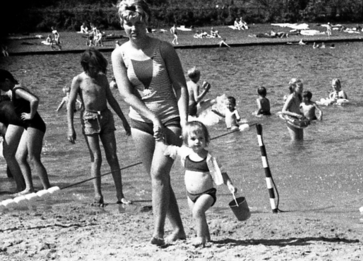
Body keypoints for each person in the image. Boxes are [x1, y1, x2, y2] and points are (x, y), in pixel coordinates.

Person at [111, 0, 189, 246]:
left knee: (158, 173)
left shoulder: (164, 49)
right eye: (128, 24)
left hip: (170, 120)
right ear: (122, 24)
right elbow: (126, 94)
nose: (133, 29)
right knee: (158, 177)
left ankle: (158, 233)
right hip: (141, 123)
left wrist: (184, 122)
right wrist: (151, 118)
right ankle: (179, 230)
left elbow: (180, 87)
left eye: (137, 23)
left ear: (146, 21)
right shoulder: (119, 54)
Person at [66, 49, 132, 205]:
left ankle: (120, 195)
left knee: (113, 156)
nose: (95, 70)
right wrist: (70, 127)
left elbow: (111, 99)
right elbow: (70, 104)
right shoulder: (78, 80)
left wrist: (124, 120)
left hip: (106, 117)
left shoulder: (102, 78)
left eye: (97, 67)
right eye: (92, 67)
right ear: (85, 65)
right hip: (89, 119)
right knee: (96, 158)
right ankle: (98, 195)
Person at [163, 120, 238, 247]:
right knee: (197, 214)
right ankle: (207, 238)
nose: (197, 141)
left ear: (206, 140)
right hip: (190, 194)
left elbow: (221, 172)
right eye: (193, 139)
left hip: (207, 193)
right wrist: (162, 144)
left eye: (201, 138)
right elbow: (173, 150)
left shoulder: (209, 158)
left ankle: (200, 238)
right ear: (186, 140)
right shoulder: (185, 153)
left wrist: (229, 184)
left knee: (198, 211)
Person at [0, 70, 52, 195]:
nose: (1, 89)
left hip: (34, 125)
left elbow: (34, 100)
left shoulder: (17, 89)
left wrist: (31, 115)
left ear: (7, 80)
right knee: (19, 157)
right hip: (28, 126)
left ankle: (47, 188)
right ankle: (29, 188)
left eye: (1, 85)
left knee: (33, 157)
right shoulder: (15, 89)